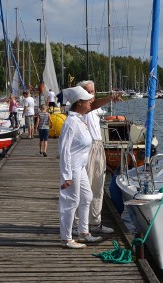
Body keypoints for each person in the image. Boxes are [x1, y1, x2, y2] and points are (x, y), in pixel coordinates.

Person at [74, 80, 122, 235]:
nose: (91, 94)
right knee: (84, 187)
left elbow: (96, 106)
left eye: (93, 91)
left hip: (98, 146)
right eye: (88, 91)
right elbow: (93, 105)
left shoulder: (94, 109)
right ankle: (77, 225)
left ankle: (95, 222)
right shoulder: (82, 107)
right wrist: (109, 98)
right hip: (87, 148)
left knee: (98, 186)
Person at [58, 86, 101, 249]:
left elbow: (95, 106)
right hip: (72, 168)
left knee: (87, 196)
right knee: (71, 201)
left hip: (81, 167)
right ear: (79, 103)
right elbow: (63, 149)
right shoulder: (71, 123)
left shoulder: (80, 120)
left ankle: (83, 232)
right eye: (88, 100)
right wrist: (66, 175)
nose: (91, 102)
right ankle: (66, 238)